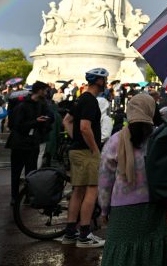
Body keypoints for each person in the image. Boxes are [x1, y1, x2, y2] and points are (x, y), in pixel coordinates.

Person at [98, 92, 167, 265]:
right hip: (155, 205)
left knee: (121, 253)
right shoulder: (160, 137)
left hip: (122, 210)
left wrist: (104, 210)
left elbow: (105, 181)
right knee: (150, 253)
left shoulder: (115, 141)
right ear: (152, 110)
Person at [61, 67, 108, 248]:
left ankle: (70, 233)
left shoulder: (81, 99)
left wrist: (76, 140)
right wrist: (95, 149)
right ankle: (85, 235)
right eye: (104, 80)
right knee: (91, 191)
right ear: (99, 81)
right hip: (87, 153)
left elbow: (67, 121)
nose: (106, 83)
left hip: (76, 150)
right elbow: (85, 127)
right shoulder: (91, 101)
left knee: (78, 192)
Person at [6, 81, 51, 204]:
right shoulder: (22, 106)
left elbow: (47, 122)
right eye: (45, 90)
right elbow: (17, 125)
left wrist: (45, 122)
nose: (47, 93)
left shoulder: (42, 105)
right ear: (40, 90)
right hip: (19, 143)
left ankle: (28, 196)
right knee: (16, 171)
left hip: (33, 143)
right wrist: (35, 121)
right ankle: (14, 197)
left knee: (31, 172)